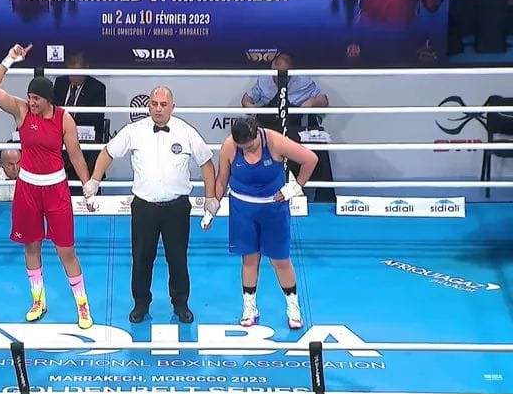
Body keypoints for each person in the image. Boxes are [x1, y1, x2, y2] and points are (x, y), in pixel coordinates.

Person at [82, 86, 219, 324]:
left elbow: (206, 163)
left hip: (177, 208)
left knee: (178, 259)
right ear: (148, 106)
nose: (158, 108)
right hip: (144, 208)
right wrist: (94, 180)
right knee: (141, 259)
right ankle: (141, 304)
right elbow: (107, 153)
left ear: (172, 107)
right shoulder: (133, 131)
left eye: (163, 104)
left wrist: (210, 198)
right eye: (154, 104)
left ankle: (180, 304)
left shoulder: (186, 131)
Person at [0, 43, 95, 329]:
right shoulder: (21, 111)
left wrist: (88, 186)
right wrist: (9, 59)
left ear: (47, 100)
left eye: (35, 98)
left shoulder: (64, 119)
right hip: (28, 189)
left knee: (66, 250)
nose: (31, 102)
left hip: (56, 189)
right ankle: (38, 301)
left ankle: (82, 306)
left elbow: (75, 155)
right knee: (31, 247)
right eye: (29, 97)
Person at [213, 116, 318, 329]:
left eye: (250, 146)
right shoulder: (229, 146)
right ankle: (249, 307)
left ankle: (293, 306)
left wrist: (295, 187)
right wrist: (213, 205)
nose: (247, 150)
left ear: (257, 135)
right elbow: (222, 179)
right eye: (242, 147)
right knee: (249, 259)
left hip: (273, 209)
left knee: (280, 260)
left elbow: (310, 159)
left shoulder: (274, 141)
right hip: (242, 209)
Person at [241, 53, 334, 202]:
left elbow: (324, 100)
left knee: (318, 150)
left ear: (291, 71)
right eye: (275, 74)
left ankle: (323, 200)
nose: (278, 78)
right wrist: (251, 107)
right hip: (269, 131)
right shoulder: (263, 80)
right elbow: (246, 99)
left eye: (283, 74)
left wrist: (312, 102)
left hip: (295, 130)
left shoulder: (303, 81)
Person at [53, 52, 107, 196]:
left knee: (88, 153)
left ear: (85, 68)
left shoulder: (97, 88)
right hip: (59, 136)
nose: (73, 76)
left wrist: (69, 123)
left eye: (76, 71)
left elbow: (96, 118)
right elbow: (52, 110)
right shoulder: (60, 83)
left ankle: (88, 192)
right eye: (70, 71)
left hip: (83, 138)